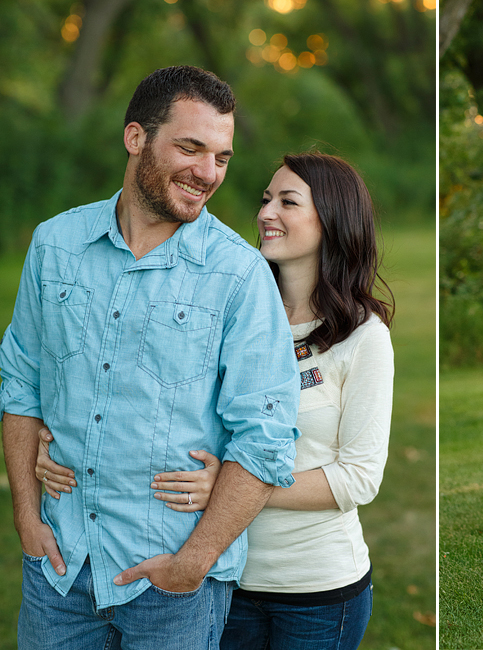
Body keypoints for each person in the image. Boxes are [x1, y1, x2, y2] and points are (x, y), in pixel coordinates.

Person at [39, 151, 395, 649]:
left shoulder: (363, 339)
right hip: (222, 577)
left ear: (333, 222)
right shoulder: (230, 303)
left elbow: (359, 477)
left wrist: (234, 486)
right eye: (266, 199)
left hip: (314, 589)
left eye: (288, 202)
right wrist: (53, 441)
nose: (266, 212)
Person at [0, 65, 301, 648]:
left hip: (173, 588)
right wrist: (26, 519)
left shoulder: (238, 274)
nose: (207, 173)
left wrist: (193, 564)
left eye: (222, 157)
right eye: (190, 148)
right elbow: (20, 381)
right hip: (58, 573)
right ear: (136, 137)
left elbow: (265, 437)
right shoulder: (55, 245)